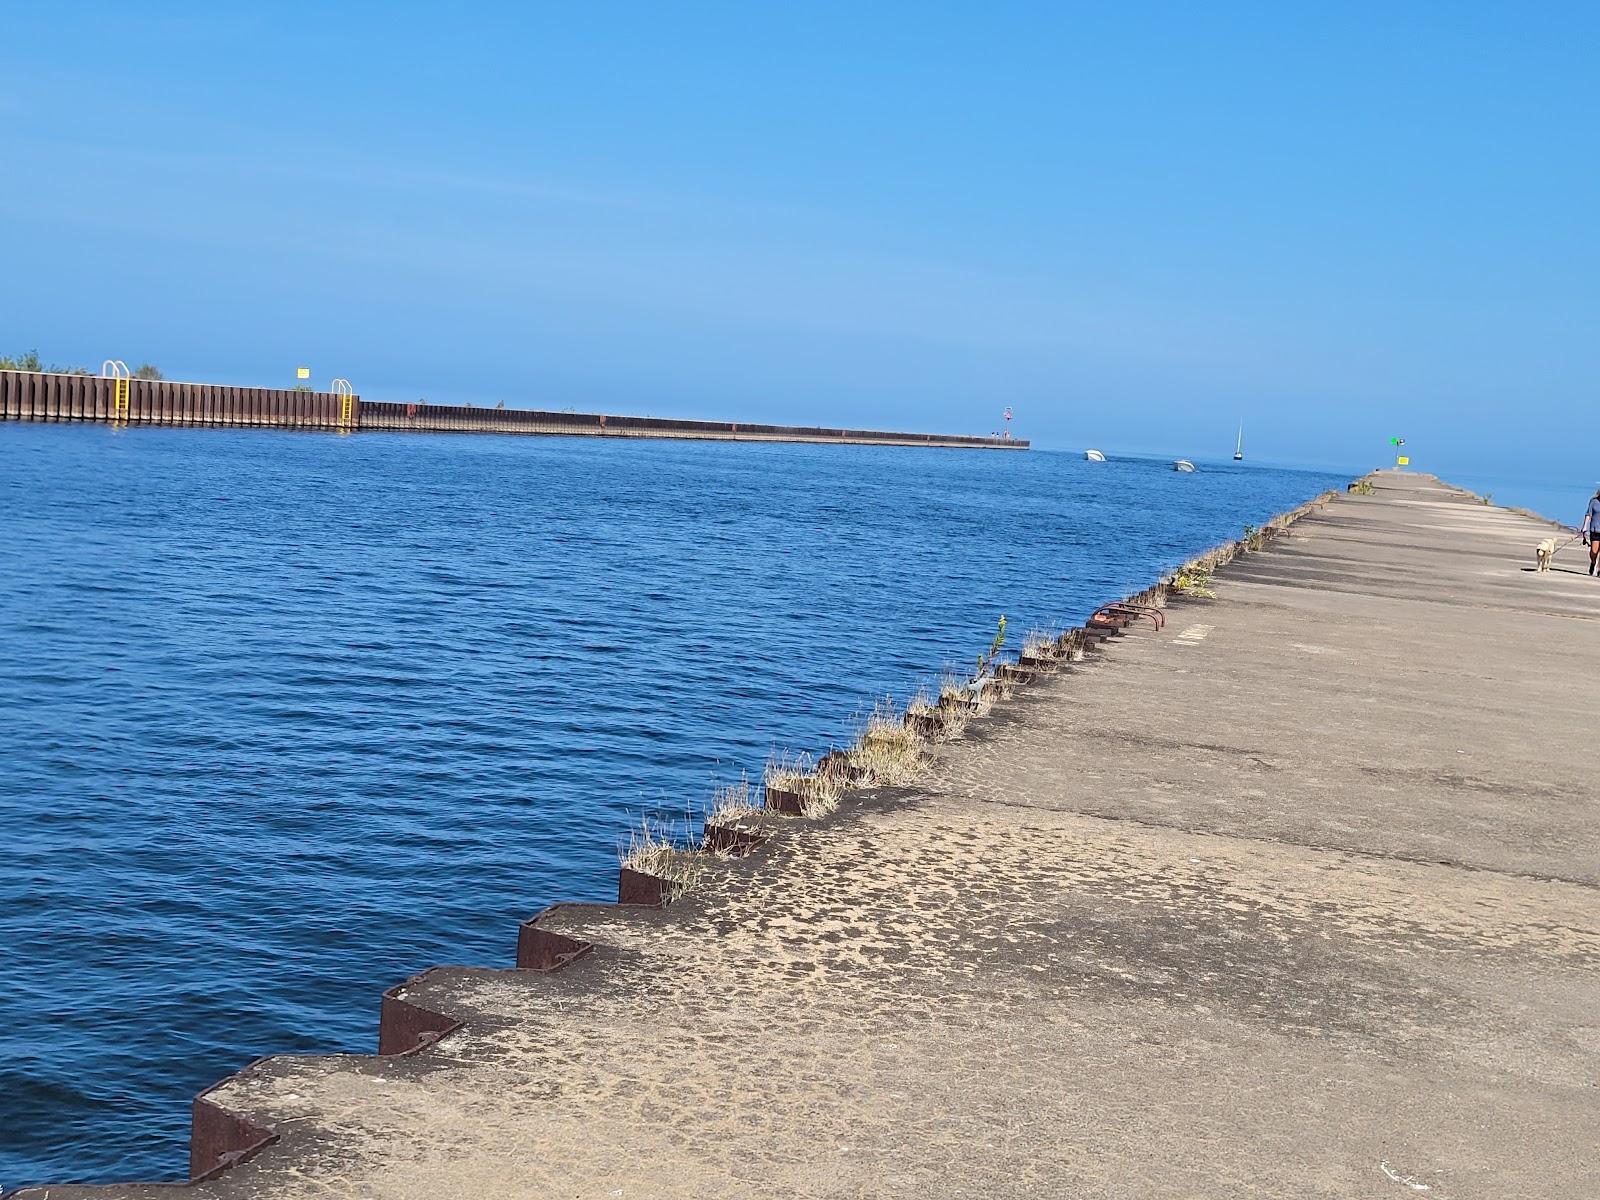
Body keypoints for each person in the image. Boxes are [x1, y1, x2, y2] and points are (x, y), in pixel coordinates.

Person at [1584, 488, 1600, 576]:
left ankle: (1599, 570)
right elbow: (1588, 514)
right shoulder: (1594, 501)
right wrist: (1584, 527)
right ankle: (1593, 562)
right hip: (1595, 529)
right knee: (1594, 552)